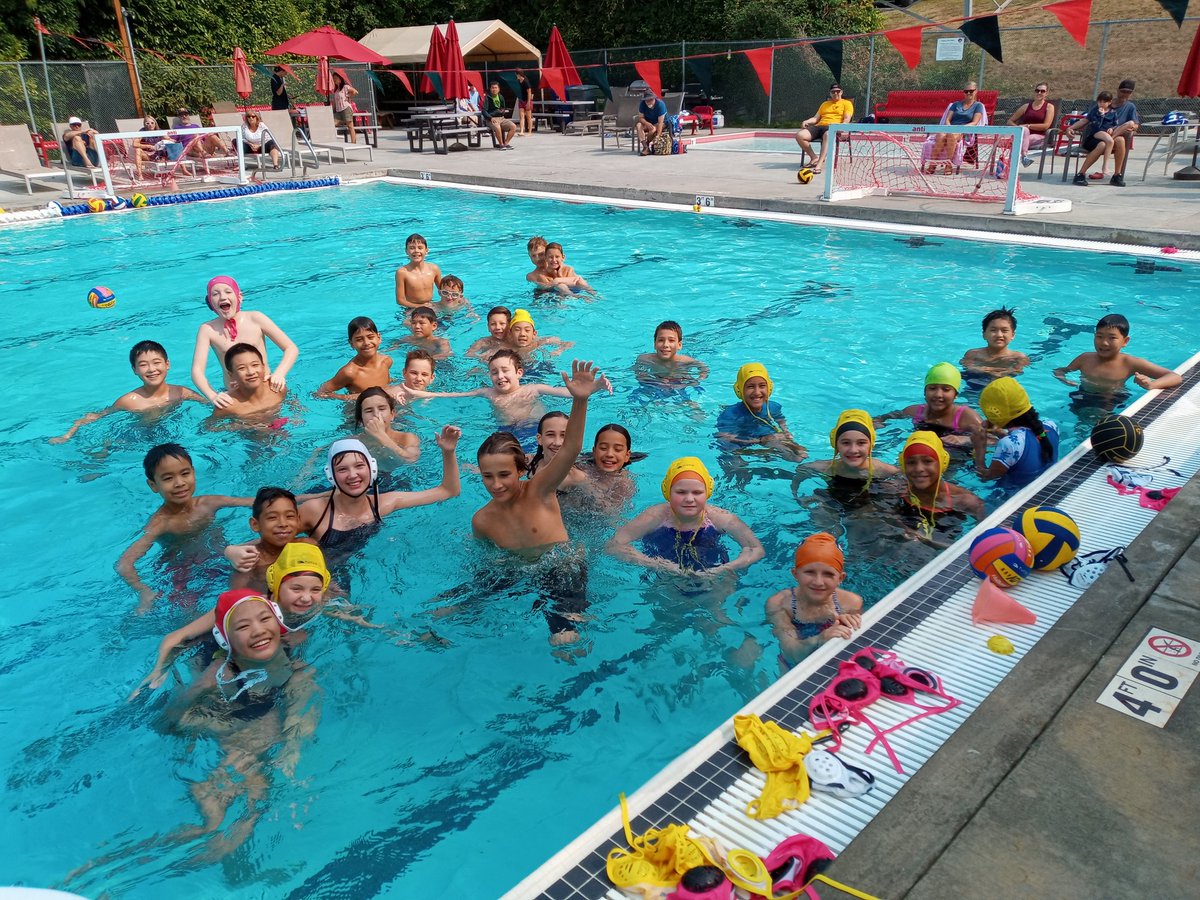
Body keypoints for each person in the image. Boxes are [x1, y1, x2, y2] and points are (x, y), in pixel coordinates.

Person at [158, 588, 319, 856]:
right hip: (220, 714)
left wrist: (293, 750)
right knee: (256, 764)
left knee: (260, 781)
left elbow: (304, 706)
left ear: (278, 622)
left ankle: (224, 820)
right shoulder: (215, 675)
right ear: (226, 640)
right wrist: (186, 705)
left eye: (265, 620)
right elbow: (171, 718)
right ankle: (216, 806)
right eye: (243, 627)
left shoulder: (294, 653)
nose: (257, 630)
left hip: (256, 708)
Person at [470, 361, 608, 644]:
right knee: (463, 603)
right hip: (518, 571)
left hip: (563, 567)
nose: (496, 485)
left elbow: (570, 448)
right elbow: (487, 562)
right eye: (488, 476)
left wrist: (580, 400)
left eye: (504, 475)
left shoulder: (540, 489)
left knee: (562, 632)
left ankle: (564, 627)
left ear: (521, 470)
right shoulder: (482, 521)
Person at [132, 542, 333, 700]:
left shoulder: (315, 601)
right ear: (278, 585)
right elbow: (178, 637)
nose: (306, 597)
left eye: (315, 589)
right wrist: (159, 670)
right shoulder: (245, 606)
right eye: (296, 589)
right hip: (221, 650)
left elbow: (333, 607)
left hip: (265, 653)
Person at [118, 443, 252, 611]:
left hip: (222, 559)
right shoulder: (161, 523)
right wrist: (144, 591)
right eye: (168, 478)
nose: (179, 483)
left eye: (185, 473)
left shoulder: (210, 503)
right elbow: (124, 564)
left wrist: (294, 500)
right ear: (153, 485)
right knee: (187, 608)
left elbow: (257, 503)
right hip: (184, 572)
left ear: (193, 473)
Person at [298, 429, 460, 562]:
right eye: (342, 469)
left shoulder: (385, 504)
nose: (352, 475)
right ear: (331, 475)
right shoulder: (313, 510)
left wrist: (448, 452)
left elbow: (448, 491)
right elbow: (274, 540)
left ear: (371, 469)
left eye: (359, 466)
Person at [401, 349, 610, 448]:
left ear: (519, 372)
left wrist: (594, 388)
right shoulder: (487, 393)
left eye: (504, 370)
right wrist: (418, 393)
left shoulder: (533, 388)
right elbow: (452, 395)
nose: (499, 376)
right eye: (494, 372)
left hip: (535, 429)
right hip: (506, 433)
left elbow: (568, 393)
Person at [608, 456, 764, 575]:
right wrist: (655, 564)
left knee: (717, 611)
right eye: (681, 492)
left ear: (707, 493)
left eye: (697, 492)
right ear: (668, 492)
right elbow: (613, 545)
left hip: (714, 574)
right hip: (664, 575)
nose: (689, 499)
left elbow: (756, 549)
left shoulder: (720, 518)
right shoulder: (655, 517)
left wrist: (724, 569)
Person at [52, 340, 203, 442]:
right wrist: (66, 436)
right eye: (143, 365)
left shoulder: (181, 392)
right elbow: (93, 417)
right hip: (136, 436)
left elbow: (209, 403)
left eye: (156, 363)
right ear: (134, 370)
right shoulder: (129, 401)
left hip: (171, 430)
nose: (151, 369)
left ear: (167, 364)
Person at [191, 276, 299, 409]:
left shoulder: (256, 318)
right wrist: (213, 395)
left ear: (239, 296)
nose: (222, 297)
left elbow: (290, 348)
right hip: (235, 395)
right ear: (210, 302)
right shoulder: (207, 330)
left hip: (266, 387)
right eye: (215, 294)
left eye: (228, 292)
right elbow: (197, 371)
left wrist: (279, 374)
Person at [766, 533, 864, 671]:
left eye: (828, 574)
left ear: (840, 578)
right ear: (795, 574)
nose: (818, 582)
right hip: (795, 665)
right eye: (810, 572)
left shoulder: (851, 603)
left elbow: (858, 644)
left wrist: (849, 625)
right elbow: (790, 653)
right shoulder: (780, 604)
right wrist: (819, 639)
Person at [1053, 313, 1181, 395]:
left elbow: (1174, 377)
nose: (1104, 343)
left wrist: (1151, 384)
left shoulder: (1130, 363)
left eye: (1112, 338)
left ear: (1125, 341)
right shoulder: (1085, 358)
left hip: (1112, 399)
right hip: (1083, 394)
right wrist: (1064, 379)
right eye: (1099, 336)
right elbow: (1061, 370)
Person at [897, 431, 985, 544]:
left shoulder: (965, 500)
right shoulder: (898, 490)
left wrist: (926, 541)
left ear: (942, 463)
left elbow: (984, 539)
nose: (919, 468)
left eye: (928, 461)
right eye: (911, 462)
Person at [876, 362, 986, 449]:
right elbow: (884, 418)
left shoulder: (967, 417)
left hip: (956, 453)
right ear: (925, 392)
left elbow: (992, 440)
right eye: (932, 388)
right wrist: (877, 422)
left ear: (956, 395)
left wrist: (964, 440)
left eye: (946, 389)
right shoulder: (914, 411)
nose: (938, 394)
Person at [975, 377, 1059, 486]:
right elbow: (1028, 442)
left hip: (1017, 497)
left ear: (995, 414)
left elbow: (986, 477)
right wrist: (1000, 433)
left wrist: (979, 447)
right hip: (1049, 486)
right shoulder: (1051, 425)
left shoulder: (1007, 444)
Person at [715, 363, 807, 462]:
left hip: (763, 435)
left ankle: (765, 453)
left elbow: (780, 419)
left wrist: (786, 432)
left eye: (762, 386)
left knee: (797, 457)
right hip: (738, 443)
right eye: (750, 386)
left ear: (769, 388)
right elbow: (722, 437)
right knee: (736, 467)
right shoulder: (729, 414)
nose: (757, 392)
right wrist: (761, 440)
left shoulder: (773, 407)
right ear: (739, 389)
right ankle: (761, 454)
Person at [799, 409, 899, 500]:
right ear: (836, 445)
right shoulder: (825, 468)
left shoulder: (883, 470)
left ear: (870, 445)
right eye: (846, 443)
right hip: (833, 499)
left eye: (861, 443)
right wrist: (797, 496)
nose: (853, 450)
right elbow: (802, 469)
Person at [317, 316, 392, 398]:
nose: (366, 343)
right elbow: (320, 393)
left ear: (379, 338)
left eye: (370, 337)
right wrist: (349, 398)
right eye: (359, 339)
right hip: (356, 409)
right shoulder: (349, 373)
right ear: (351, 343)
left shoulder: (386, 361)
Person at [210, 343, 286, 423]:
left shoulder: (277, 389)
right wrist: (245, 426)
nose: (251, 372)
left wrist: (296, 417)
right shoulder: (228, 405)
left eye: (255, 365)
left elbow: (292, 402)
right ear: (231, 374)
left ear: (263, 367)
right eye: (242, 368)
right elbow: (208, 428)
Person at [926, 82, 985, 174]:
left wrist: (960, 128)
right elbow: (947, 119)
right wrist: (950, 127)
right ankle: (932, 164)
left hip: (965, 130)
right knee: (941, 135)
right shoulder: (956, 104)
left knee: (951, 136)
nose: (968, 93)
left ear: (976, 91)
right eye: (966, 91)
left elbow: (974, 122)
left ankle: (948, 164)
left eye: (971, 91)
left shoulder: (978, 106)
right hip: (950, 128)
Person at [1069, 92, 1125, 187]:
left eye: (1104, 102)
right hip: (1095, 136)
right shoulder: (1095, 111)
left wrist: (1113, 129)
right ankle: (1081, 174)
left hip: (1107, 136)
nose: (1101, 103)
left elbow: (1115, 124)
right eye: (1099, 101)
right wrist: (1071, 128)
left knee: (1120, 140)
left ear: (1109, 102)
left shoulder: (1113, 113)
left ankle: (1117, 175)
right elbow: (1084, 121)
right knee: (1104, 143)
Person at [794, 84, 853, 173]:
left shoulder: (847, 103)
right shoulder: (825, 104)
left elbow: (847, 119)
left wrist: (841, 127)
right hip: (819, 126)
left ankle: (819, 164)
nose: (835, 93)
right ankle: (814, 157)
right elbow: (815, 118)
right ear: (830, 93)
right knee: (800, 135)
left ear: (841, 92)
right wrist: (807, 121)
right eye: (833, 92)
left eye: (838, 91)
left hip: (833, 128)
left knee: (828, 134)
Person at [354, 387, 420, 466]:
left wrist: (381, 436)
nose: (376, 415)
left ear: (392, 414)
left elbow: (411, 459)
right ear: (361, 420)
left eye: (381, 409)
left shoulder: (406, 438)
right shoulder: (354, 443)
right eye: (369, 411)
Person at [961, 307, 1030, 382]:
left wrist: (986, 370)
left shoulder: (1019, 358)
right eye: (993, 330)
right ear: (984, 334)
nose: (999, 335)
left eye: (1004, 330)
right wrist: (995, 372)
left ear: (1012, 335)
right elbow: (967, 368)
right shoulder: (972, 354)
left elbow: (1017, 371)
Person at [634, 320, 709, 385]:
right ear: (655, 344)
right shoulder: (645, 359)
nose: (665, 345)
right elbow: (638, 373)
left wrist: (698, 380)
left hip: (679, 381)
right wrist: (651, 381)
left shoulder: (685, 361)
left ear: (679, 345)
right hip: (655, 382)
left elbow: (704, 368)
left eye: (671, 340)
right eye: (661, 340)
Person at [526, 411, 588, 490]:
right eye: (550, 434)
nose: (557, 443)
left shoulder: (578, 478)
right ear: (540, 439)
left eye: (563, 435)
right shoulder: (529, 462)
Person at [1007, 82, 1055, 166]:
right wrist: (1019, 128)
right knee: (1024, 131)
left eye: (1042, 91)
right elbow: (1010, 121)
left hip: (1040, 137)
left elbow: (1046, 126)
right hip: (1024, 135)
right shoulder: (1026, 106)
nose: (1039, 93)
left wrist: (1028, 125)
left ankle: (1008, 166)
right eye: (1037, 90)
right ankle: (1024, 157)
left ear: (1046, 93)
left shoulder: (1049, 107)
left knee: (1018, 141)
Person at [504, 308, 572, 361]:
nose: (522, 334)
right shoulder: (506, 347)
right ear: (510, 334)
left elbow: (569, 343)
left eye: (527, 330)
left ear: (534, 334)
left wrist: (559, 351)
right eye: (517, 330)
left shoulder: (539, 342)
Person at [395, 233, 442, 308]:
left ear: (426, 250)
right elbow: (400, 300)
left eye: (420, 248)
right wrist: (420, 307)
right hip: (412, 308)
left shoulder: (434, 269)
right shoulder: (402, 272)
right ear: (406, 251)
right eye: (412, 248)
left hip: (431, 305)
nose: (416, 251)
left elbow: (443, 291)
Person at [527, 242, 594, 295]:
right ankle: (576, 297)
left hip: (571, 289)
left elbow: (577, 280)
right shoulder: (536, 275)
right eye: (533, 255)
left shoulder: (566, 269)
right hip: (550, 294)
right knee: (561, 286)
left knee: (580, 281)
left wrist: (558, 279)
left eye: (541, 254)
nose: (538, 258)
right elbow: (545, 287)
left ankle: (595, 295)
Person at [1110, 78, 1140, 179]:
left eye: (1128, 92)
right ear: (1118, 91)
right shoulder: (1107, 103)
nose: (1125, 94)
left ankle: (1117, 174)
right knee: (1120, 139)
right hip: (1104, 132)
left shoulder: (1130, 107)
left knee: (1121, 139)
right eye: (1123, 91)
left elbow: (1135, 124)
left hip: (1117, 134)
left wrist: (1133, 128)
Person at [481, 81, 516, 149]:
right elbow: (484, 111)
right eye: (492, 88)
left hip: (501, 118)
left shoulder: (501, 97)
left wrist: (502, 111)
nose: (494, 89)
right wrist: (490, 117)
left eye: (496, 88)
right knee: (497, 127)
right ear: (490, 89)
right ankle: (501, 145)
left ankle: (506, 143)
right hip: (491, 119)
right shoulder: (487, 98)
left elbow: (503, 108)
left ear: (499, 89)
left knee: (513, 126)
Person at [635, 90, 669, 156]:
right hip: (648, 122)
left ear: (654, 99)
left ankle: (647, 145)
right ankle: (645, 147)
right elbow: (641, 117)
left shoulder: (660, 105)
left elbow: (660, 123)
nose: (648, 102)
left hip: (660, 123)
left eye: (650, 100)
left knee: (653, 129)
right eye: (646, 100)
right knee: (638, 125)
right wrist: (647, 123)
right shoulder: (642, 104)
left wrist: (658, 136)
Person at [133, 114, 165, 179]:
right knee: (138, 150)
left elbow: (168, 139)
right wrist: (148, 146)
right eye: (147, 123)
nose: (150, 124)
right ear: (145, 124)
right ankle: (140, 175)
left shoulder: (159, 131)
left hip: (158, 154)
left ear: (155, 123)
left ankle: (183, 170)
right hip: (147, 155)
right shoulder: (142, 131)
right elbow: (135, 144)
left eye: (152, 123)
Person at [331, 71, 359, 144]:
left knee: (350, 126)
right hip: (338, 110)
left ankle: (353, 143)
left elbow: (355, 91)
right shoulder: (336, 90)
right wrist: (332, 109)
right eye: (333, 78)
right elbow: (334, 101)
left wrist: (348, 96)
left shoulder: (345, 87)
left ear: (340, 79)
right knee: (332, 123)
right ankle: (331, 140)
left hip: (346, 108)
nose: (334, 80)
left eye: (336, 78)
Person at [515, 70, 534, 136]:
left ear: (519, 75)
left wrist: (528, 102)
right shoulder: (518, 81)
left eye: (516, 74)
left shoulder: (526, 81)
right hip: (521, 100)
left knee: (528, 117)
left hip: (527, 100)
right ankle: (522, 131)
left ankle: (530, 131)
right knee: (521, 116)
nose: (516, 76)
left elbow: (529, 92)